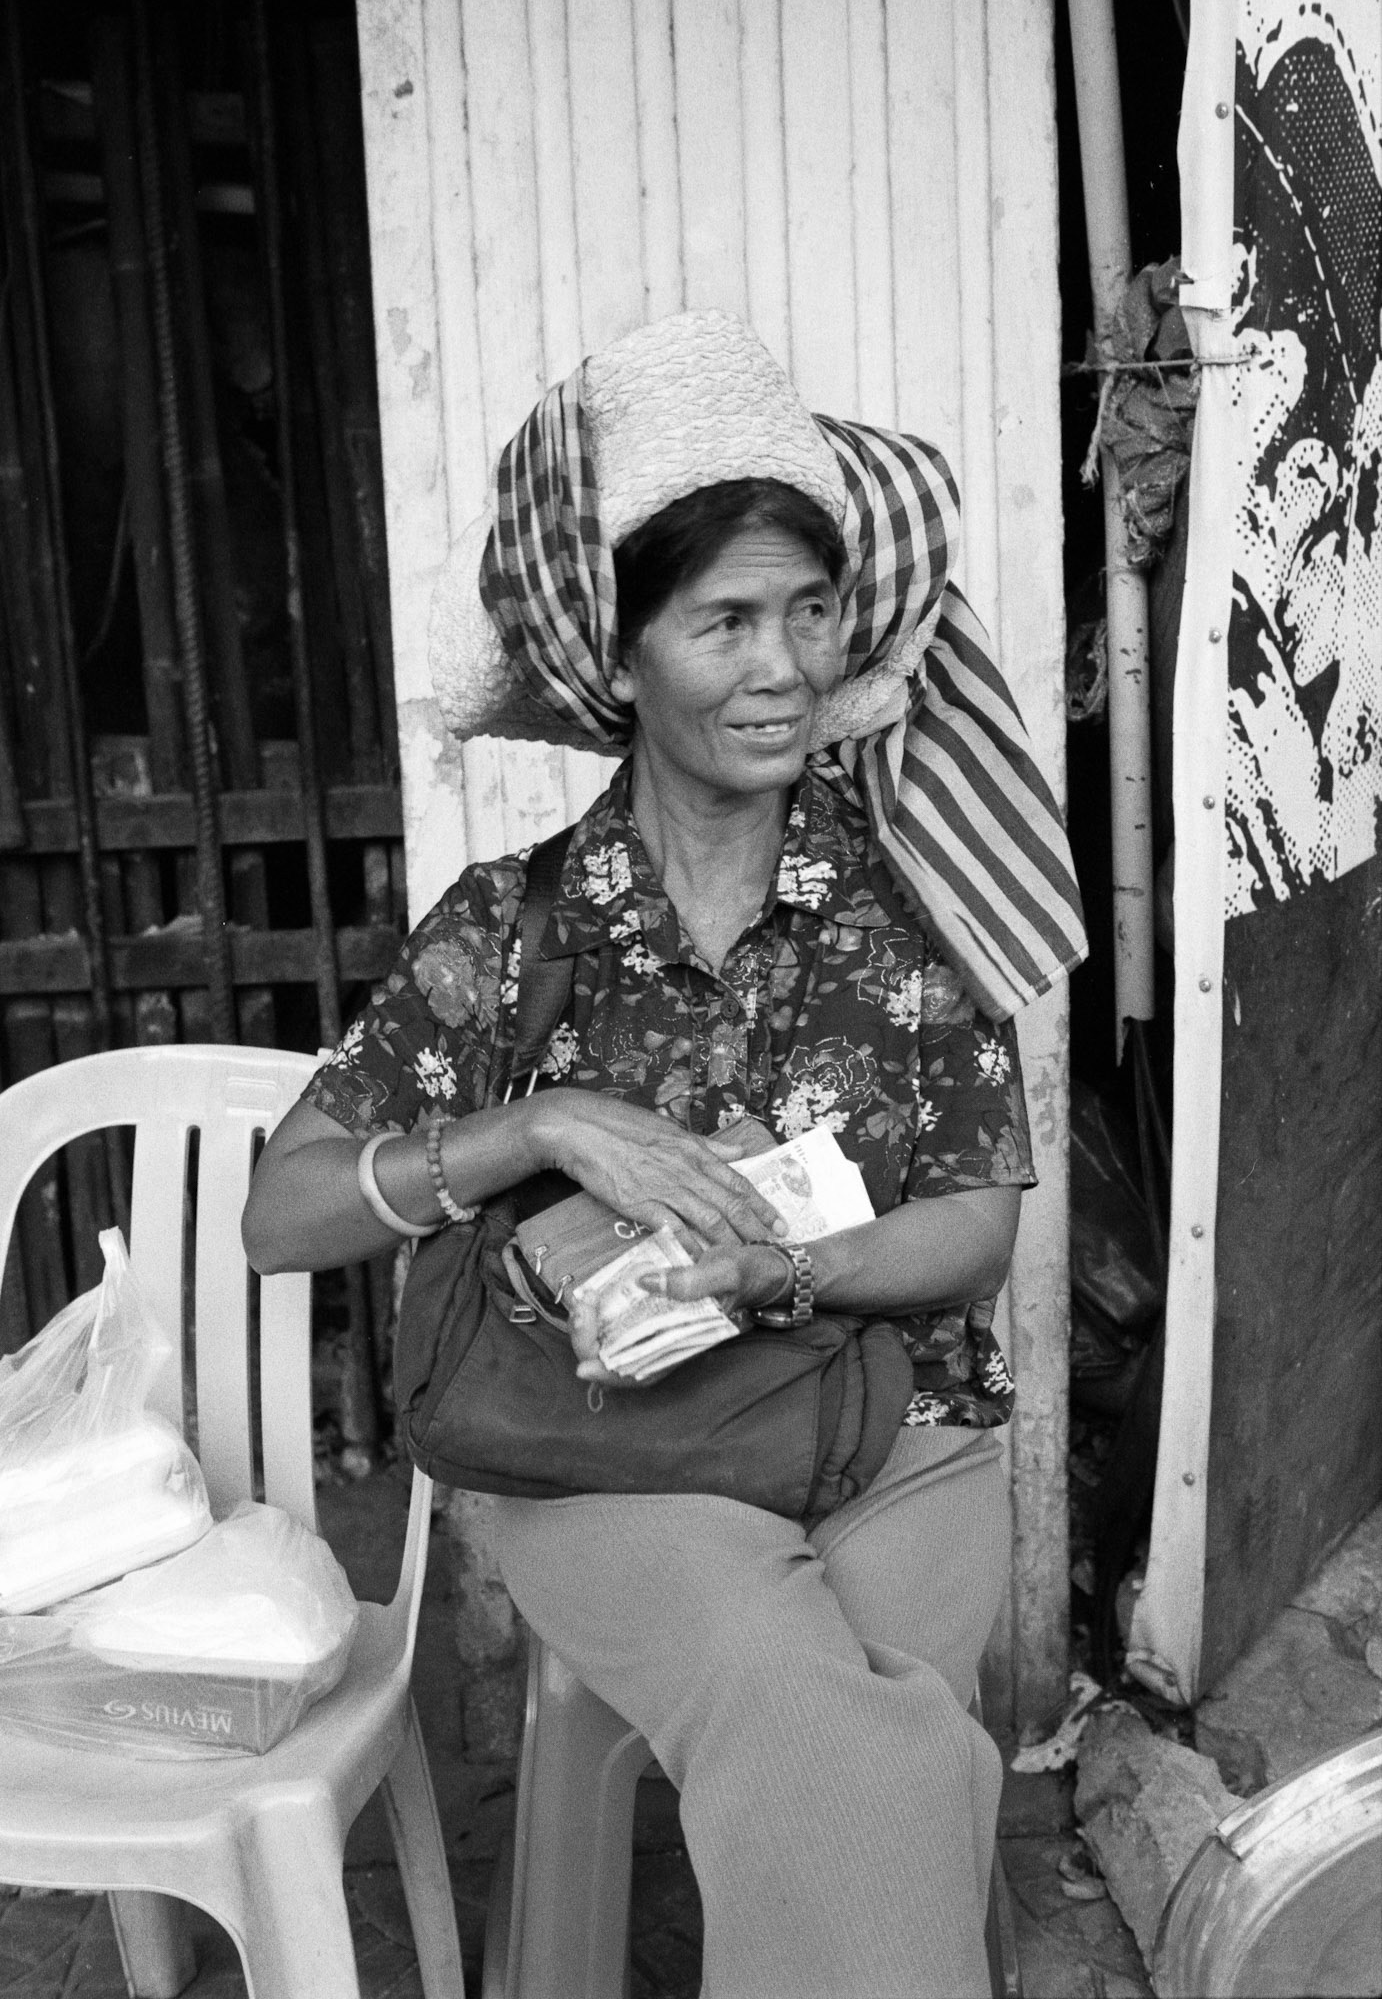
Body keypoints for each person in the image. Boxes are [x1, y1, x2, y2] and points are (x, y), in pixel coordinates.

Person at [243, 310, 1085, 1998]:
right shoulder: (511, 930)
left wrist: (779, 1267)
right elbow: (283, 1212)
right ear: (625, 659)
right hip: (605, 1455)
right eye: (723, 622)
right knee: (845, 1733)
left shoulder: (913, 906)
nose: (783, 668)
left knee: (860, 1732)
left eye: (807, 612)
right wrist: (539, 1125)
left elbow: (975, 1229)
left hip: (900, 1426)